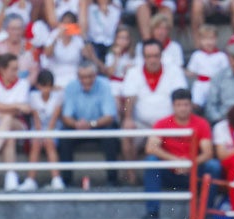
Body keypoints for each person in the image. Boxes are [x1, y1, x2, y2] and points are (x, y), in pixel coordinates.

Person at [143, 87, 218, 219]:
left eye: (186, 105)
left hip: (194, 170)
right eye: (179, 105)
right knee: (151, 161)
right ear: (173, 106)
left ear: (191, 105)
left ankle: (205, 212)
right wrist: (175, 161)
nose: (182, 108)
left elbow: (208, 153)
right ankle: (152, 211)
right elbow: (151, 148)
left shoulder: (201, 123)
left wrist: (189, 164)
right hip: (170, 170)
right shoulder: (162, 123)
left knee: (213, 166)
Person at [58, 58, 118, 186]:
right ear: (78, 77)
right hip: (78, 126)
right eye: (82, 77)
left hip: (99, 125)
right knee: (64, 135)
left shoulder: (104, 85)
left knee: (111, 133)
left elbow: (109, 116)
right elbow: (66, 115)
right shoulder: (71, 87)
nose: (86, 80)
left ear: (95, 75)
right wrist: (76, 124)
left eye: (90, 76)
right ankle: (66, 181)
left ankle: (112, 180)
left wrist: (91, 124)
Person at [0, 52, 33, 191]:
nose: (17, 72)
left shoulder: (23, 83)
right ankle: (11, 176)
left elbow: (20, 112)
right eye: (13, 69)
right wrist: (16, 106)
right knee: (9, 137)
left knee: (8, 119)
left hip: (17, 123)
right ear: (2, 69)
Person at [119, 38, 185, 134]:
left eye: (156, 56)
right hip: (141, 124)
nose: (152, 60)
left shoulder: (174, 71)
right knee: (127, 133)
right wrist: (128, 118)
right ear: (143, 57)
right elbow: (129, 98)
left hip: (169, 124)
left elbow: (181, 96)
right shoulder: (133, 72)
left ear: (162, 55)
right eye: (148, 56)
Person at [23, 68, 62, 190]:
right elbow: (36, 120)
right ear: (38, 86)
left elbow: (53, 120)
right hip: (38, 129)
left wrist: (47, 134)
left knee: (49, 142)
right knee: (36, 143)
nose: (46, 90)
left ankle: (56, 179)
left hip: (53, 129)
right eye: (43, 86)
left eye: (49, 87)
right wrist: (40, 135)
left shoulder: (58, 97)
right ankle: (30, 180)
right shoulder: (33, 96)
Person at [185, 25, 227, 112]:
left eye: (211, 39)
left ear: (216, 39)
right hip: (200, 84)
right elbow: (191, 71)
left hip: (216, 84)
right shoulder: (197, 55)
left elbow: (225, 72)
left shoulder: (221, 56)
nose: (209, 42)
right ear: (200, 41)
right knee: (196, 104)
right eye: (205, 39)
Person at [42, 11, 83, 90]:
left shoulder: (78, 39)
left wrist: (81, 34)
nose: (66, 26)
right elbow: (47, 54)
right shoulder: (53, 35)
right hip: (56, 74)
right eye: (64, 23)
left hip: (74, 75)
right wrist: (56, 38)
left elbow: (87, 55)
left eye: (70, 24)